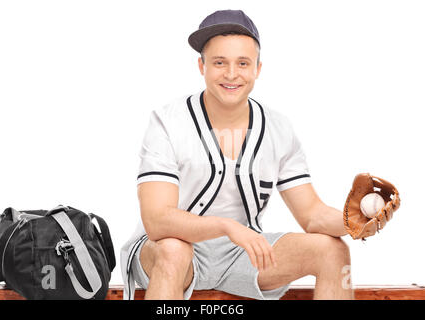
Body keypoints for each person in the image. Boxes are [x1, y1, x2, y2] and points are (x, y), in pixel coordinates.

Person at [120, 9, 354, 300]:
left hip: (243, 254)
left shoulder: (279, 128)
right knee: (173, 250)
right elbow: (157, 221)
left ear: (257, 68)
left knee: (333, 249)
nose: (232, 74)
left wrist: (354, 220)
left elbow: (312, 215)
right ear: (201, 66)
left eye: (243, 63)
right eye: (220, 63)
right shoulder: (167, 122)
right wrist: (227, 226)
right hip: (166, 250)